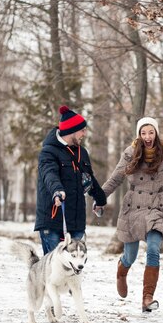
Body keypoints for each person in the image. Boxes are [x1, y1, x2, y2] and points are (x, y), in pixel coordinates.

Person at [98, 116, 163, 312]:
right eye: (143, 132)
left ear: (156, 134)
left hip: (156, 207)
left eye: (151, 132)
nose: (147, 136)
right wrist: (100, 198)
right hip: (133, 209)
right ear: (139, 135)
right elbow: (115, 179)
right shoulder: (130, 155)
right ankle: (121, 272)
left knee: (154, 250)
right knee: (130, 256)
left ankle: (147, 299)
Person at [34, 105, 107, 255]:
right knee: (54, 270)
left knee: (74, 269)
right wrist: (57, 190)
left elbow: (89, 179)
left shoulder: (82, 152)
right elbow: (49, 174)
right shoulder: (48, 152)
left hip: (76, 222)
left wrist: (100, 200)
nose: (84, 134)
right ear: (71, 131)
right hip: (53, 219)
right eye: (82, 130)